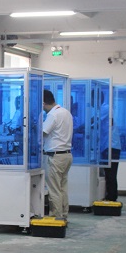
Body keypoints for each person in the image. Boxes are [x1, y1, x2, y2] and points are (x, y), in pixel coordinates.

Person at [42, 89, 73, 222]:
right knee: (62, 188)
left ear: (43, 103)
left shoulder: (53, 115)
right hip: (66, 155)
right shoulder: (66, 112)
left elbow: (42, 132)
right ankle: (64, 215)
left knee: (54, 189)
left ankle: (56, 218)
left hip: (55, 157)